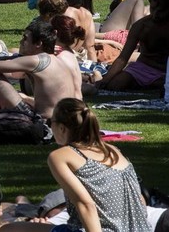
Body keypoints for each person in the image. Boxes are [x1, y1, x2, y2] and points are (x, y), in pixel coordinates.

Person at [0, 17, 80, 143]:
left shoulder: (37, 60)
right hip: (67, 126)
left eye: (25, 38)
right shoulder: (57, 60)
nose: (21, 42)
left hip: (45, 128)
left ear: (38, 43)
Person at [46, 98, 148, 231]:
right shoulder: (113, 150)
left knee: (13, 228)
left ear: (61, 127)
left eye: (50, 122)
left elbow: (86, 204)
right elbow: (140, 200)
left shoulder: (60, 156)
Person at [100, 0, 169, 91]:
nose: (156, 14)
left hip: (165, 71)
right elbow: (123, 58)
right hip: (141, 69)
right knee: (115, 85)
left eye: (160, 10)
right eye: (153, 9)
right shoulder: (140, 26)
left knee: (163, 85)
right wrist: (105, 80)